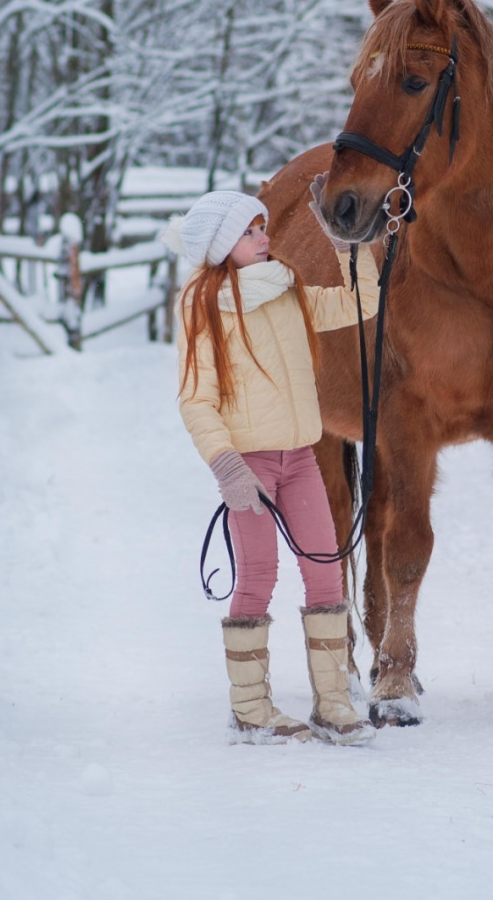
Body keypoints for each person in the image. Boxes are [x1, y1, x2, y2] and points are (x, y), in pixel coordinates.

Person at [162, 184, 379, 745]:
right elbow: (194, 398)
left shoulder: (286, 288)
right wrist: (226, 465)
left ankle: (332, 703)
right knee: (258, 576)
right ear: (221, 244)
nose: (265, 238)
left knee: (326, 567)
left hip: (300, 456)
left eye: (263, 228)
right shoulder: (201, 305)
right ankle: (250, 707)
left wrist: (346, 246)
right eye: (251, 232)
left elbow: (362, 302)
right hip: (249, 465)